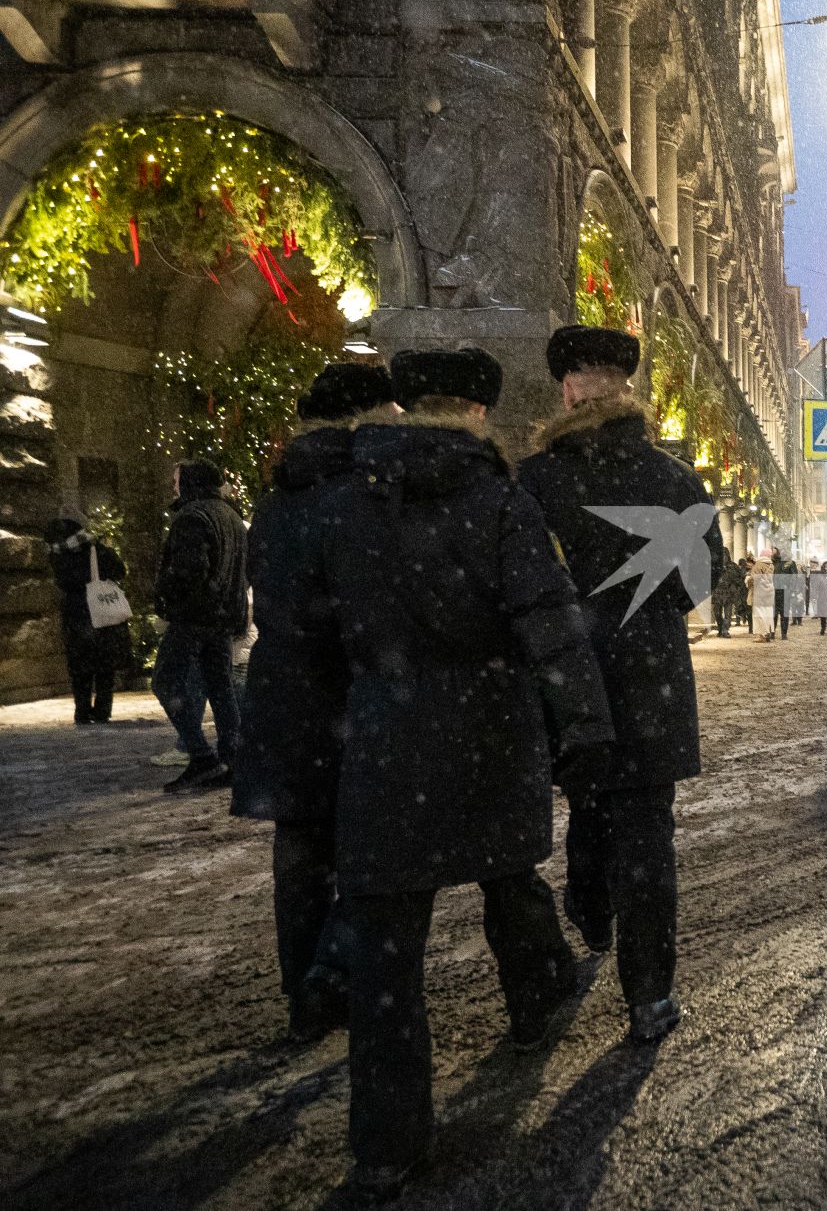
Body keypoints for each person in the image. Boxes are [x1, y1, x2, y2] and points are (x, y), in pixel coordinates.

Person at [318, 347, 613, 1197]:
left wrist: (338, 728)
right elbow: (548, 620)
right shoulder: (501, 502)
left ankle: (386, 1140)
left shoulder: (347, 504)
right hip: (488, 731)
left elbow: (308, 634)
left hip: (384, 743)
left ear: (405, 410)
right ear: (480, 414)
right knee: (509, 880)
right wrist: (585, 724)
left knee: (385, 952)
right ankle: (534, 999)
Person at [518, 324, 727, 1045]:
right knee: (648, 837)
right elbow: (710, 576)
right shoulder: (670, 478)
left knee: (588, 802)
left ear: (568, 389)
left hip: (570, 686)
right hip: (651, 687)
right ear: (626, 389)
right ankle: (650, 995)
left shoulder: (536, 480)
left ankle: (588, 904)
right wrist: (652, 607)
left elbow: (515, 584)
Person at [230, 363, 392, 1043]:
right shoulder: (362, 494)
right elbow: (369, 606)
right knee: (372, 851)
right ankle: (332, 973)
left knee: (299, 854)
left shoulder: (279, 496)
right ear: (365, 416)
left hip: (281, 693)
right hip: (349, 694)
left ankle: (304, 991)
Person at [152, 458, 248, 792]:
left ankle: (201, 755)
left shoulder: (193, 516)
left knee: (165, 681)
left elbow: (189, 571)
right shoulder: (231, 516)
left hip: (194, 617)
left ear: (190, 482)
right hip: (222, 618)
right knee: (220, 686)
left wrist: (165, 592)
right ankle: (234, 759)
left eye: (178, 479)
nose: (173, 485)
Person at [43, 517, 134, 725]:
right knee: (104, 666)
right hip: (101, 613)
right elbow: (120, 571)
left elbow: (63, 581)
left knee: (79, 667)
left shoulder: (59, 555)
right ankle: (102, 710)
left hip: (76, 615)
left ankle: (82, 711)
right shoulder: (98, 550)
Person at [750, 551, 776, 641]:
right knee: (768, 612)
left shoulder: (759, 564)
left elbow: (754, 578)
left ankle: (762, 634)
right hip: (769, 591)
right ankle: (768, 631)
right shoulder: (771, 565)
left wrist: (747, 579)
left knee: (758, 613)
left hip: (759, 591)